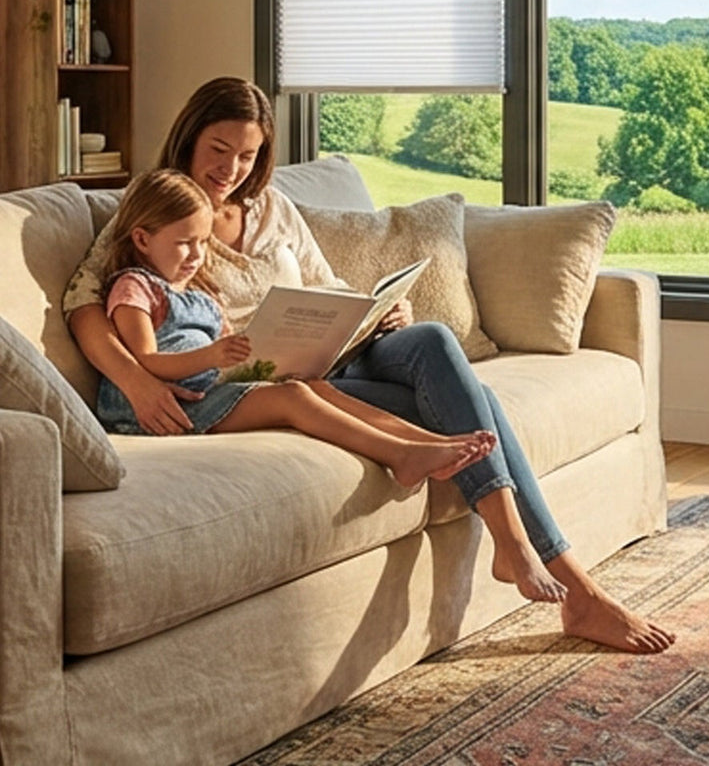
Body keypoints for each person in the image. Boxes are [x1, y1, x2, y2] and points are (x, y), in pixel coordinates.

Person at [67, 77, 674, 653]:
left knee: (432, 339)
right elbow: (87, 301)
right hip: (272, 380)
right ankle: (565, 577)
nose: (231, 170)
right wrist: (136, 380)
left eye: (248, 156)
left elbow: (325, 285)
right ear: (189, 139)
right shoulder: (162, 208)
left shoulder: (273, 208)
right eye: (218, 150)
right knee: (476, 407)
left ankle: (525, 551)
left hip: (342, 353)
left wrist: (374, 311)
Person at [93, 167, 495, 490]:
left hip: (205, 391)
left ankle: (426, 442)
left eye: (202, 242)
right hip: (163, 408)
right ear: (143, 240)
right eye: (185, 244)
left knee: (312, 387)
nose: (197, 255)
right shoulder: (134, 287)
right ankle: (402, 457)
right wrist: (213, 356)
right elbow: (147, 361)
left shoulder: (197, 290)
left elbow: (220, 354)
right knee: (292, 398)